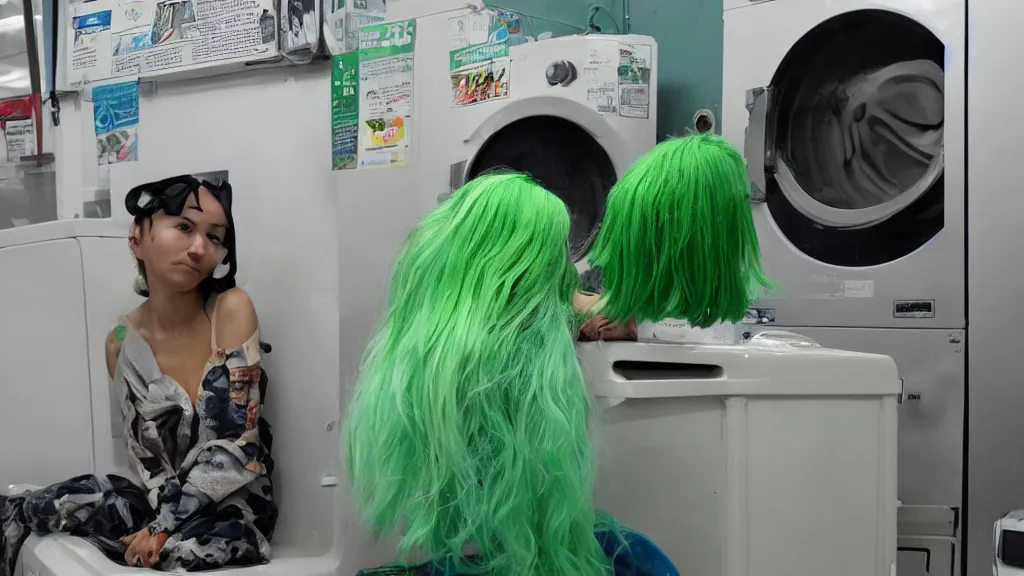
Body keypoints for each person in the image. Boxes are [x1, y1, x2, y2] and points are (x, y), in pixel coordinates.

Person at [345, 172, 676, 576]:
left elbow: (576, 300)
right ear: (529, 267)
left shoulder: (427, 338)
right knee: (639, 559)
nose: (569, 269)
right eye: (559, 257)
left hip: (450, 545)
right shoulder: (516, 358)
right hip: (507, 547)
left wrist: (615, 316)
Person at [0, 175, 277, 575]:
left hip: (231, 508)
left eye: (215, 238)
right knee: (36, 508)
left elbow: (238, 443)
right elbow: (147, 462)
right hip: (161, 503)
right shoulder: (120, 341)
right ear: (137, 237)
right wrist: (157, 517)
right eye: (184, 227)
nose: (200, 247)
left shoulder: (231, 309)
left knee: (181, 553)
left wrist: (164, 526)